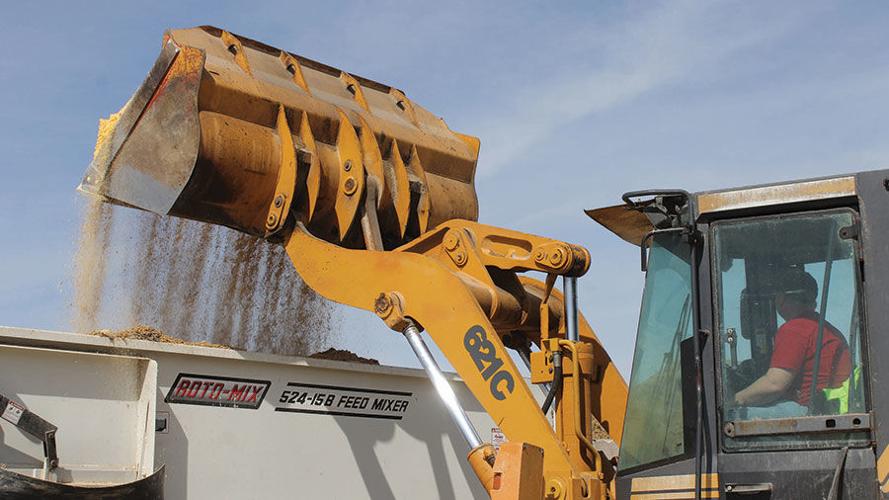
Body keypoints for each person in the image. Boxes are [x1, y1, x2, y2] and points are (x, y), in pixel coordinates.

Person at [733, 269, 851, 419]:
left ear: (780, 298)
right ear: (813, 301)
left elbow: (774, 385)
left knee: (730, 416)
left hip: (808, 411)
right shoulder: (827, 329)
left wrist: (735, 399)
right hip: (828, 408)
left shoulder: (795, 329)